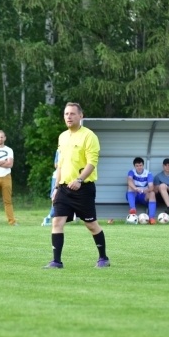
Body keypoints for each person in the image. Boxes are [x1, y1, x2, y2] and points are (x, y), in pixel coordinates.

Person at [44, 102, 110, 269]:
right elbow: (60, 165)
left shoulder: (89, 136)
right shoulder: (62, 137)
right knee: (57, 222)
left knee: (91, 225)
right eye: (66, 114)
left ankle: (103, 258)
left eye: (72, 114)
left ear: (81, 116)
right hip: (64, 189)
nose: (69, 117)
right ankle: (56, 261)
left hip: (83, 188)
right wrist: (56, 188)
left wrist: (79, 180)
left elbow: (92, 163)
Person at [126, 156, 157, 224]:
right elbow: (129, 180)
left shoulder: (148, 173)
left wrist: (147, 190)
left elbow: (151, 187)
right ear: (134, 166)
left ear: (143, 165)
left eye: (140, 165)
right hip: (135, 194)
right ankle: (133, 209)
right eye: (137, 166)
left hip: (144, 195)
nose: (139, 167)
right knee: (130, 186)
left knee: (152, 193)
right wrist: (135, 188)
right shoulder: (131, 172)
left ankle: (151, 218)